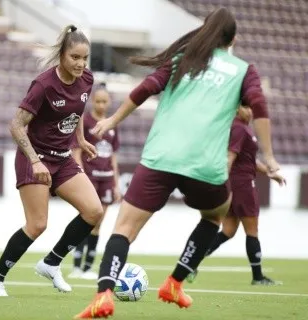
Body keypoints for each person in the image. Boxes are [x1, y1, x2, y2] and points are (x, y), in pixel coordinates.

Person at [75, 7, 280, 318]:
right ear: (233, 39)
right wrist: (270, 156)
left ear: (204, 32)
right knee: (215, 217)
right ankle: (174, 282)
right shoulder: (242, 69)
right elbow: (259, 105)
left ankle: (103, 294)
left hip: (160, 157)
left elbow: (144, 89)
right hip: (205, 165)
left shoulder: (182, 58)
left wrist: (113, 119)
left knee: (124, 228)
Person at [0, 24, 103, 297]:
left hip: (63, 159)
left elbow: (77, 112)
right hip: (34, 158)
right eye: (75, 57)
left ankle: (51, 263)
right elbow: (15, 125)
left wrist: (81, 140)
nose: (80, 63)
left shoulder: (86, 79)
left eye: (84, 58)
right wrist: (36, 161)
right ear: (62, 55)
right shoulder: (43, 85)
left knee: (94, 212)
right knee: (37, 224)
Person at [187, 107, 285, 285]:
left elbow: (248, 159)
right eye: (246, 107)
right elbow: (230, 157)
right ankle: (258, 277)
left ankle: (192, 264)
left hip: (234, 185)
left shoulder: (236, 128)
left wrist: (268, 173)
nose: (250, 111)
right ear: (237, 108)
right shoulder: (239, 128)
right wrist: (219, 181)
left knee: (228, 231)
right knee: (252, 231)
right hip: (243, 185)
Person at [68, 84, 121, 280]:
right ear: (92, 101)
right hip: (89, 178)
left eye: (104, 101)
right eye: (97, 100)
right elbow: (77, 152)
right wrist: (80, 175)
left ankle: (88, 267)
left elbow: (113, 157)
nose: (101, 104)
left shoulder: (112, 124)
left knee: (98, 224)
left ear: (109, 103)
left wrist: (116, 184)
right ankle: (76, 266)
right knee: (85, 220)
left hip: (106, 180)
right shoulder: (86, 121)